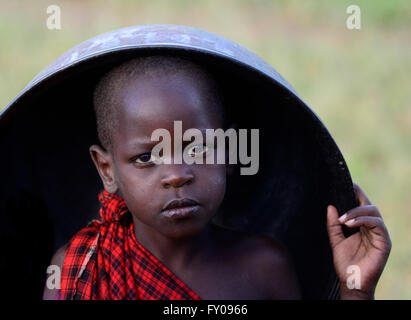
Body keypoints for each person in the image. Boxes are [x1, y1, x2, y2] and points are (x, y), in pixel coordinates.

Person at [42, 55, 391, 300]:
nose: (177, 175)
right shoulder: (80, 266)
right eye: (146, 157)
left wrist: (356, 290)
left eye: (198, 149)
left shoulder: (263, 267)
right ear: (108, 170)